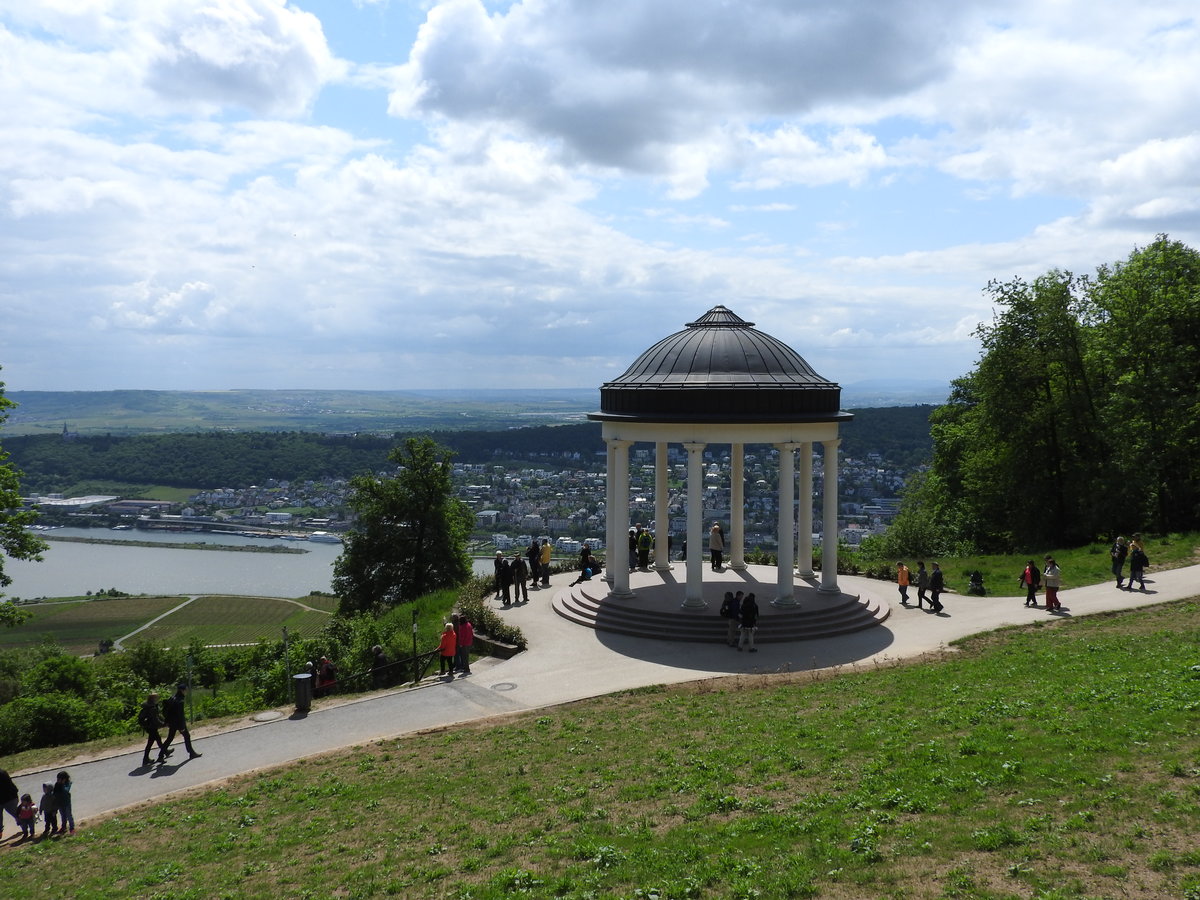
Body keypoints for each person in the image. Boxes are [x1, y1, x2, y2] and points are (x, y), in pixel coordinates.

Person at [162, 682, 202, 760]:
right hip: (178, 723)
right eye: (185, 690)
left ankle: (160, 755)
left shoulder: (173, 697)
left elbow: (169, 711)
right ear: (182, 690)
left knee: (170, 738)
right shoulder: (180, 701)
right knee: (187, 736)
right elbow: (180, 715)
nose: (186, 691)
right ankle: (191, 753)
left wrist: (167, 721)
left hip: (172, 722)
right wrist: (182, 727)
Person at [138, 691, 169, 767]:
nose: (158, 698)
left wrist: (164, 722)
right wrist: (164, 724)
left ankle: (163, 752)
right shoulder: (152, 707)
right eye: (156, 697)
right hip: (151, 727)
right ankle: (161, 755)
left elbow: (158, 716)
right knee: (153, 741)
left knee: (154, 741)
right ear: (153, 698)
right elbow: (156, 719)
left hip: (148, 726)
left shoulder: (148, 705)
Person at [52, 771, 74, 836]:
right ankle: (63, 827)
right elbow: (54, 794)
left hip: (66, 803)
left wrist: (62, 784)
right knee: (63, 816)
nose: (57, 780)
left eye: (59, 779)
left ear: (64, 779)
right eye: (57, 779)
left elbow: (66, 791)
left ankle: (72, 828)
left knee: (69, 815)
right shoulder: (57, 784)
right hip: (60, 803)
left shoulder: (67, 784)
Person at [0, 769, 19, 838]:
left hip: (9, 798)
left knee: (16, 813)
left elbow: (7, 786)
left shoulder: (2, 773)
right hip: (7, 797)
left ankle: (25, 826)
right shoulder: (3, 772)